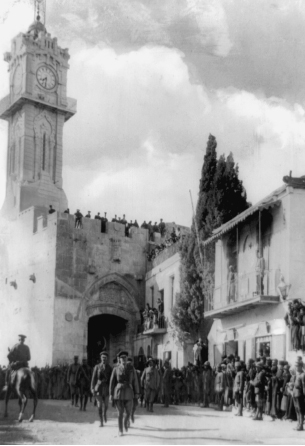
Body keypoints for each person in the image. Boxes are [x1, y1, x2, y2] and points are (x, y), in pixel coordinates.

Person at [109, 350, 140, 436]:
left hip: (129, 392)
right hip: (119, 393)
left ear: (126, 359)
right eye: (121, 358)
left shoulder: (131, 368)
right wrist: (111, 394)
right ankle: (120, 430)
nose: (123, 359)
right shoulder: (115, 369)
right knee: (120, 413)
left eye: (125, 358)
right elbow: (112, 382)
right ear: (119, 359)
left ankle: (126, 421)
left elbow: (135, 381)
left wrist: (137, 392)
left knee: (128, 412)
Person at [91, 351, 112, 427]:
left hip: (106, 389)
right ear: (100, 358)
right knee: (99, 406)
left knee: (106, 406)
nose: (104, 359)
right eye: (103, 357)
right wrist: (92, 388)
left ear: (107, 359)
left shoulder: (110, 368)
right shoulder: (97, 367)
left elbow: (111, 380)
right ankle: (101, 421)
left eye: (105, 358)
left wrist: (111, 390)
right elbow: (93, 378)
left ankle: (104, 413)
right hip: (98, 388)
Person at [292, 357, 305, 431]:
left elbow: (304, 386)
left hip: (300, 394)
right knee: (297, 409)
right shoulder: (297, 374)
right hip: (295, 393)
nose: (296, 367)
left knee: (300, 410)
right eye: (296, 366)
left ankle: (301, 425)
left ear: (301, 366)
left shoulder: (303, 375)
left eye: (297, 366)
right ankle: (298, 423)